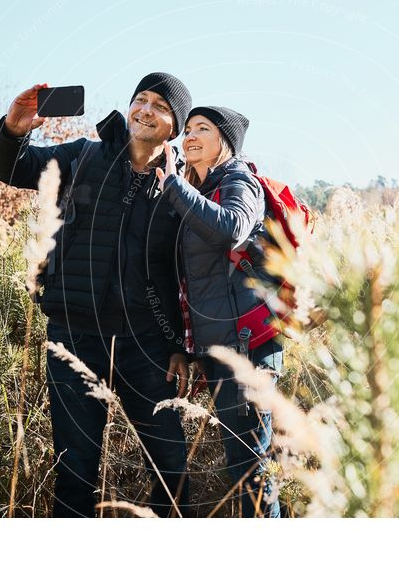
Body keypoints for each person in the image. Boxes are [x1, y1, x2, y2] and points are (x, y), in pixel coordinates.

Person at [0, 73, 193, 517]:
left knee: (171, 467)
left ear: (173, 126)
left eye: (160, 105)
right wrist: (14, 130)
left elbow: (184, 274)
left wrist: (179, 346)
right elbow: (14, 169)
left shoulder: (181, 188)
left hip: (146, 347)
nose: (145, 110)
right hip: (75, 335)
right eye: (141, 99)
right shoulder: (84, 156)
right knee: (76, 469)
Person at [156, 106, 283, 518]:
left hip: (246, 348)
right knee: (243, 465)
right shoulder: (204, 187)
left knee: (250, 470)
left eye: (202, 129)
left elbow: (233, 227)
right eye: (188, 129)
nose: (189, 135)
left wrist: (175, 186)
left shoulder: (238, 179)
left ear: (224, 142)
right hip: (220, 347)